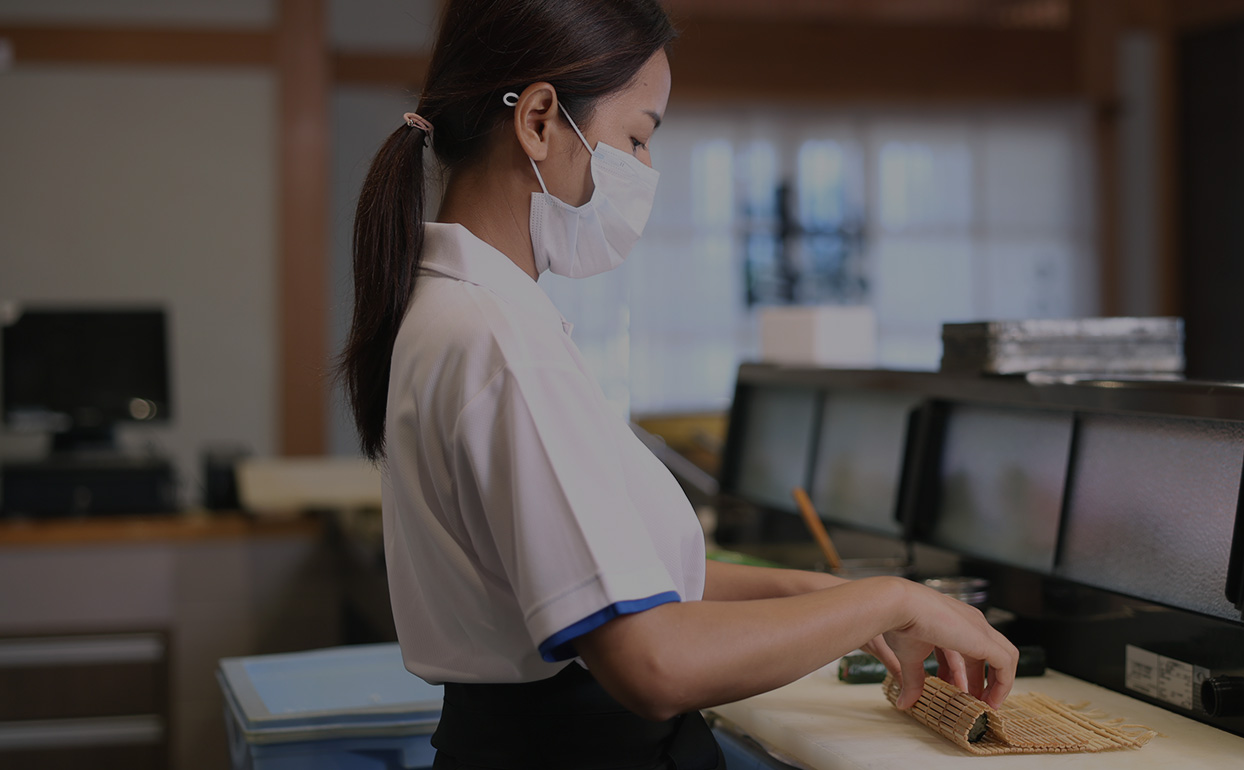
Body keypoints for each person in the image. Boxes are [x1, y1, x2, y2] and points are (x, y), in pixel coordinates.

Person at [337, 1, 1018, 768]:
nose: (646, 171)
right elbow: (654, 663)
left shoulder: (462, 312)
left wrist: (825, 601)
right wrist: (892, 598)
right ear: (537, 121)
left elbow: (621, 582)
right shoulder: (501, 345)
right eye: (637, 137)